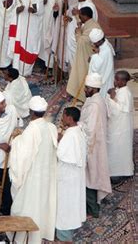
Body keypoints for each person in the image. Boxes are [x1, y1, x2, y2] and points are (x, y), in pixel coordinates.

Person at [9, 96, 57, 244]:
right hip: (46, 174)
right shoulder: (51, 127)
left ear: (31, 112)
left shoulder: (31, 130)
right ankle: (41, 232)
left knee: (28, 204)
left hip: (33, 176)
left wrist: (15, 140)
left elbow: (22, 155)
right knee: (42, 202)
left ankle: (25, 238)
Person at [80, 73, 112, 218]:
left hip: (92, 145)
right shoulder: (96, 100)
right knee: (93, 174)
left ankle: (93, 209)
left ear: (93, 89)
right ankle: (92, 207)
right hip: (97, 143)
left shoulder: (94, 105)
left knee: (90, 176)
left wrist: (76, 126)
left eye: (87, 88)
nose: (85, 90)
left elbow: (89, 129)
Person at [55, 107, 87, 242]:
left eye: (63, 115)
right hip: (76, 175)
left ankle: (64, 236)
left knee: (65, 205)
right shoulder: (79, 130)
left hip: (67, 176)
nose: (62, 118)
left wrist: (58, 141)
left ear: (69, 118)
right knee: (73, 202)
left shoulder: (70, 135)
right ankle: (70, 228)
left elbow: (60, 153)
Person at [11, 0, 44, 76]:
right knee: (19, 45)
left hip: (33, 27)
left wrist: (35, 11)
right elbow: (14, 7)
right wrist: (18, 9)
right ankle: (17, 69)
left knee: (30, 47)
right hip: (22, 26)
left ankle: (27, 71)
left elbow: (42, 11)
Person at [66, 7, 102, 102]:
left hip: (87, 57)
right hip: (86, 54)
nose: (79, 17)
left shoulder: (92, 27)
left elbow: (82, 41)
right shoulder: (90, 23)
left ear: (85, 16)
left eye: (80, 16)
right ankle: (75, 92)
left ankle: (82, 95)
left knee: (81, 73)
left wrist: (78, 33)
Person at [106, 71, 134, 178]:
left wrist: (111, 98)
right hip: (117, 126)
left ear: (123, 81)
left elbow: (116, 111)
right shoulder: (120, 90)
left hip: (120, 127)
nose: (114, 81)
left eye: (117, 79)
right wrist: (112, 95)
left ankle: (118, 172)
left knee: (118, 147)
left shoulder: (126, 93)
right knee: (114, 147)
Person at [52, 0, 78, 75]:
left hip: (69, 30)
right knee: (60, 50)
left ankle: (68, 71)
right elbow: (59, 12)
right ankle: (61, 70)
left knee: (67, 51)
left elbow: (72, 14)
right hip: (61, 27)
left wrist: (66, 0)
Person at [39, 0, 61, 69]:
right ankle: (44, 61)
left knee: (54, 40)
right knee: (45, 39)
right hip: (46, 19)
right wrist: (42, 2)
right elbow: (39, 3)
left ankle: (52, 64)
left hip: (56, 20)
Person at [89, 28, 115, 98]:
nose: (93, 44)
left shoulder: (106, 50)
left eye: (94, 43)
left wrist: (93, 57)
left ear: (98, 41)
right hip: (106, 75)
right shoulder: (105, 43)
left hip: (105, 78)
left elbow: (97, 67)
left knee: (103, 96)